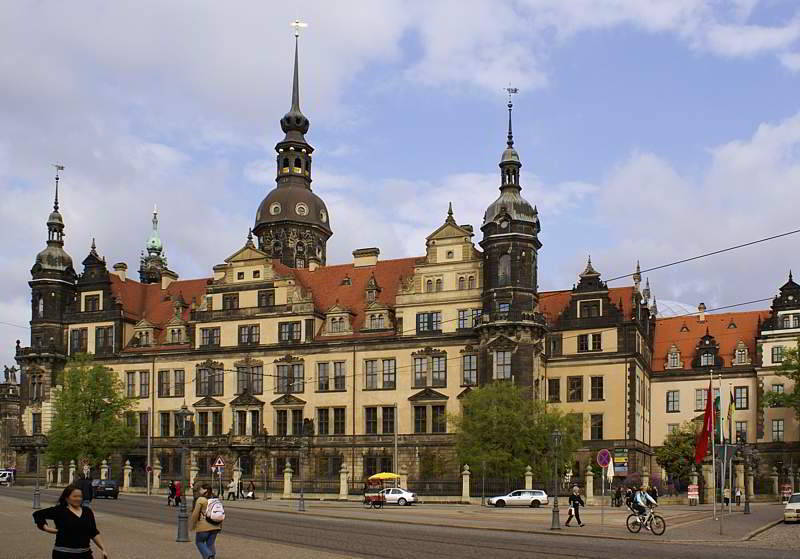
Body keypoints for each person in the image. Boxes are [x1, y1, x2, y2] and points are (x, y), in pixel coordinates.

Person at [33, 484, 109, 559]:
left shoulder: (87, 511)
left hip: (85, 554)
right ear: (67, 498)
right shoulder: (59, 510)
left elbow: (93, 532)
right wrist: (46, 528)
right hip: (63, 555)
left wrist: (103, 548)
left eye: (80, 496)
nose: (78, 499)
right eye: (75, 496)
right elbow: (38, 514)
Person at [191, 483, 222, 559]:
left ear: (205, 490)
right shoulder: (216, 499)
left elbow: (195, 514)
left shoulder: (201, 499)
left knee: (199, 542)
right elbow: (220, 513)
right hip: (215, 526)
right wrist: (220, 526)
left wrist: (193, 525)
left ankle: (208, 556)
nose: (199, 491)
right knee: (210, 544)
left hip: (203, 526)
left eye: (201, 489)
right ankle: (211, 556)